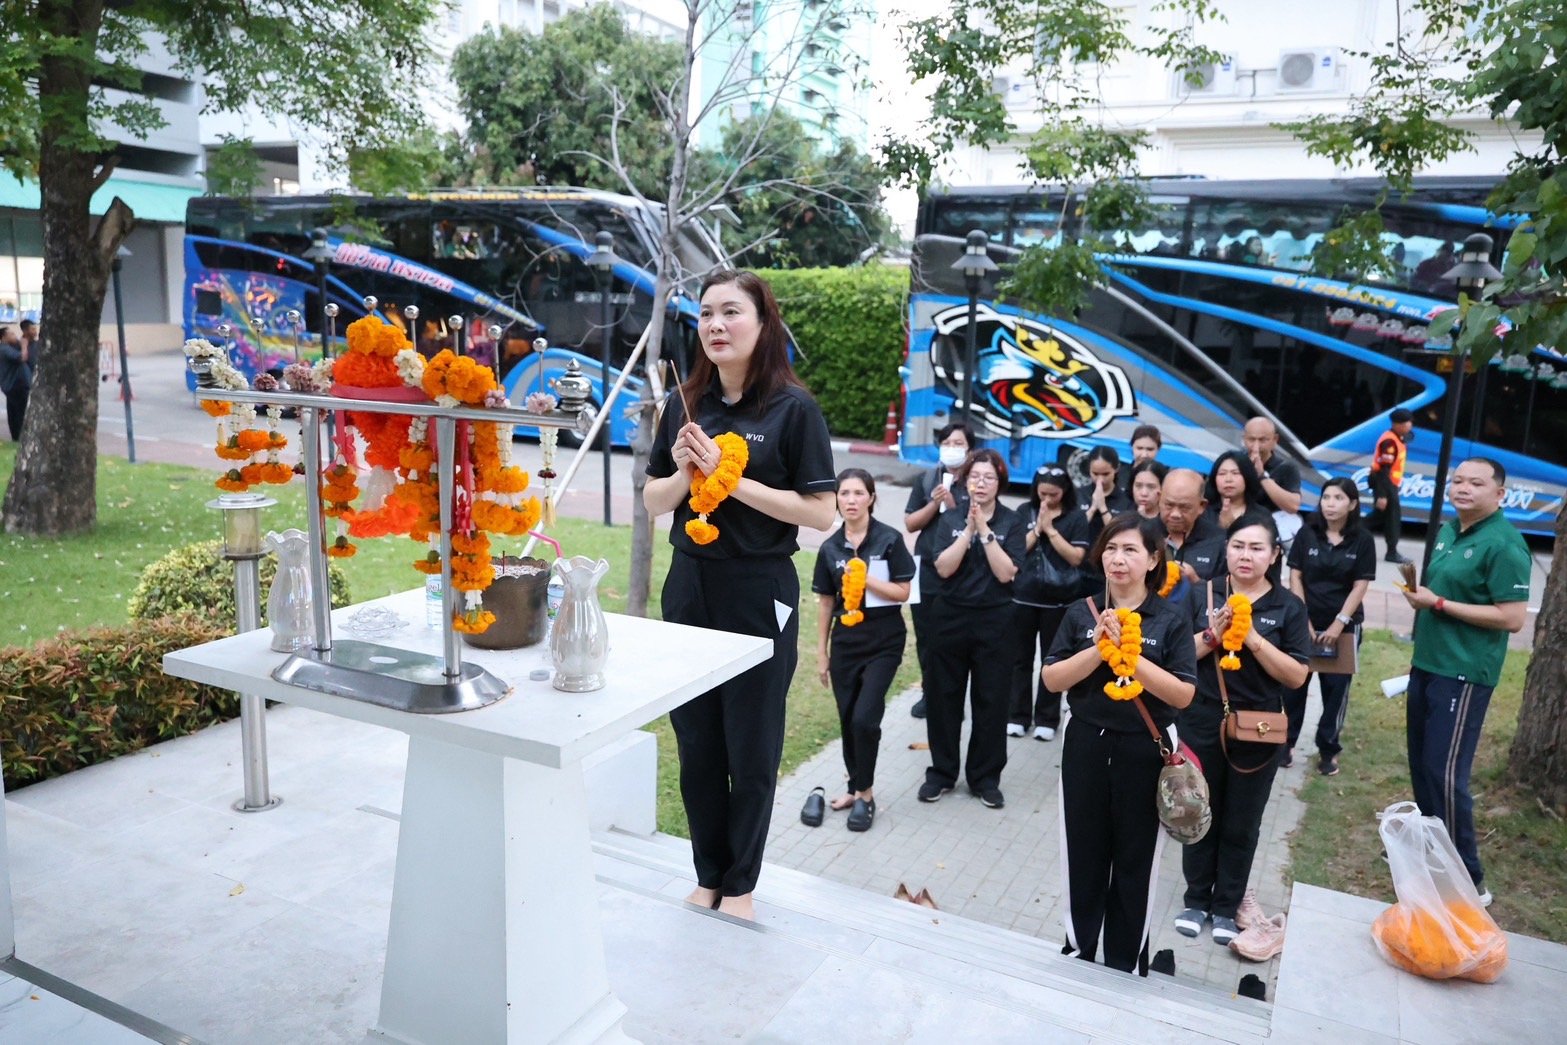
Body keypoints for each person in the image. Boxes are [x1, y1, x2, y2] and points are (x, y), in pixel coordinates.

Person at [644, 269, 837, 920]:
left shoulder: (793, 409)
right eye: (706, 314)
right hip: (689, 585)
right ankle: (707, 874)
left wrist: (731, 479)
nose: (716, 325)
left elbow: (820, 513)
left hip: (759, 588)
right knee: (696, 741)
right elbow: (653, 501)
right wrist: (683, 470)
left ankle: (740, 886)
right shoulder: (686, 403)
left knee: (750, 746)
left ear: (762, 323)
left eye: (731, 312)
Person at [1043, 515, 1197, 975]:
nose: (1118, 558)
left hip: (1145, 751)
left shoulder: (1170, 619)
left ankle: (1126, 962)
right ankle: (1079, 948)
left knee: (1135, 861)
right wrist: (1097, 648)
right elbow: (1052, 679)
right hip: (1086, 745)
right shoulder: (1081, 612)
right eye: (1111, 548)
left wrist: (1132, 656)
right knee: (1083, 852)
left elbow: (1183, 694)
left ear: (1152, 560)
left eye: (1130, 550)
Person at [1174, 513, 1310, 945]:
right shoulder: (1203, 593)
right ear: (1226, 550)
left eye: (1256, 548)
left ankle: (1226, 906)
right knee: (1199, 811)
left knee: (1242, 821)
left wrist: (1252, 638)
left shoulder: (1288, 606)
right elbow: (1176, 657)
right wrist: (1211, 636)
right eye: (1237, 546)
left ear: (1274, 555)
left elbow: (1297, 676)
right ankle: (1196, 900)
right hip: (1201, 718)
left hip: (1258, 727)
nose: (1245, 555)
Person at [1401, 458, 1530, 905]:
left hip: (1465, 672)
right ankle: (1431, 854)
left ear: (1499, 494)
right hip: (1428, 663)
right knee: (1422, 766)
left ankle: (1469, 878)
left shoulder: (1505, 544)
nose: (1463, 488)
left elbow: (1512, 618)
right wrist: (1424, 600)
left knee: (1445, 773)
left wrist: (1437, 603)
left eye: (1476, 483)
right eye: (1457, 480)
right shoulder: (1449, 530)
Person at [920, 448, 1025, 810]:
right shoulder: (950, 518)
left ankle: (985, 778)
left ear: (1000, 483)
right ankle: (942, 773)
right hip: (950, 617)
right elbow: (944, 567)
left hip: (996, 621)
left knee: (992, 701)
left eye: (989, 477)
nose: (981, 483)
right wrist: (967, 529)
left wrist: (985, 531)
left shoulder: (1012, 521)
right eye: (975, 476)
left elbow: (1006, 573)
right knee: (943, 698)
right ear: (965, 481)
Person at [812, 468, 915, 832]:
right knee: (847, 719)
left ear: (872, 497)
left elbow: (904, 591)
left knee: (865, 719)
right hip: (845, 642)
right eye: (844, 493)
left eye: (858, 493)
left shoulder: (889, 540)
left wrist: (865, 578)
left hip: (884, 639)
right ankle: (854, 788)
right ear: (836, 499)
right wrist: (822, 653)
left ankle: (866, 795)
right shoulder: (830, 547)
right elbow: (826, 603)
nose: (851, 500)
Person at [1284, 479, 1376, 775]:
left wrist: (1339, 623)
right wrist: (1303, 619)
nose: (1330, 504)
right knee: (1294, 684)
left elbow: (1360, 585)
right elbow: (1295, 576)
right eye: (1326, 497)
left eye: (1338, 498)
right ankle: (1285, 744)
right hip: (1304, 621)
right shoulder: (1307, 533)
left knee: (1336, 690)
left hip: (1344, 625)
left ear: (1352, 504)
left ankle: (1328, 748)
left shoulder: (1362, 539)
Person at [1009, 465, 1089, 742]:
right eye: (1042, 493)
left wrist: (1051, 530)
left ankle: (1046, 718)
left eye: (1053, 494)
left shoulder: (1076, 517)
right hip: (1023, 597)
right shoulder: (1024, 511)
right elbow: (1016, 550)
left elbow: (1077, 557)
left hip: (1059, 601)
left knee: (1052, 660)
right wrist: (1037, 529)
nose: (1047, 499)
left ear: (1064, 491)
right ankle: (1017, 715)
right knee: (1019, 659)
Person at [903, 422, 975, 719]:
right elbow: (910, 523)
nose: (952, 449)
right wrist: (935, 504)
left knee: (955, 636)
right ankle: (928, 693)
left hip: (961, 571)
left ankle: (952, 695)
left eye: (958, 443)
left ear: (970, 449)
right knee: (925, 634)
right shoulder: (927, 479)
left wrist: (953, 504)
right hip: (925, 568)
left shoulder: (976, 481)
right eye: (947, 443)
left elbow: (975, 522)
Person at [1159, 468, 1226, 587]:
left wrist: (1197, 582)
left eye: (1184, 507)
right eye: (1169, 505)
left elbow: (1228, 590)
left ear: (1201, 506)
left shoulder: (1219, 541)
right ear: (1159, 498)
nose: (1175, 514)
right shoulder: (1142, 533)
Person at [1242, 417, 1303, 544]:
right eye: (1251, 439)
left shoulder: (1286, 468)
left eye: (1262, 440)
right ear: (1244, 438)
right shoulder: (1234, 463)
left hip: (1271, 533)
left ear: (1275, 440)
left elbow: (1293, 506)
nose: (1256, 446)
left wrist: (1262, 476)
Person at [1368, 408, 1414, 565]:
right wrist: (1382, 495)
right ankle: (1392, 552)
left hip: (1389, 484)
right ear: (1397, 424)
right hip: (1385, 484)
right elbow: (1383, 470)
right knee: (1393, 517)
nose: (1410, 426)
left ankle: (1347, 532)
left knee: (1380, 516)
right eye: (1407, 423)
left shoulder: (1397, 438)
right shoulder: (1390, 442)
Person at [1204, 451, 1267, 532]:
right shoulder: (1203, 511)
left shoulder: (1261, 515)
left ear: (1247, 476)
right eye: (1222, 473)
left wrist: (1232, 527)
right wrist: (1221, 528)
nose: (1228, 479)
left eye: (1235, 473)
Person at [1081, 446, 1132, 540]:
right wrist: (1092, 508)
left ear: (1116, 468)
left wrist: (1102, 508)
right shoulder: (1079, 495)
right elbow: (1073, 530)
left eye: (1105, 474)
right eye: (1095, 474)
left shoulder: (1126, 500)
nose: (1100, 479)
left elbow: (1120, 535)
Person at [0, 325, 30, 442]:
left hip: (11, 385)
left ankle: (15, 436)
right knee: (19, 412)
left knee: (13, 411)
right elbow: (23, 357)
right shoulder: (5, 349)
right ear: (3, 337)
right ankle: (19, 436)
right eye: (11, 334)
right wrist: (24, 345)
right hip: (16, 386)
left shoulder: (8, 348)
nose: (15, 336)